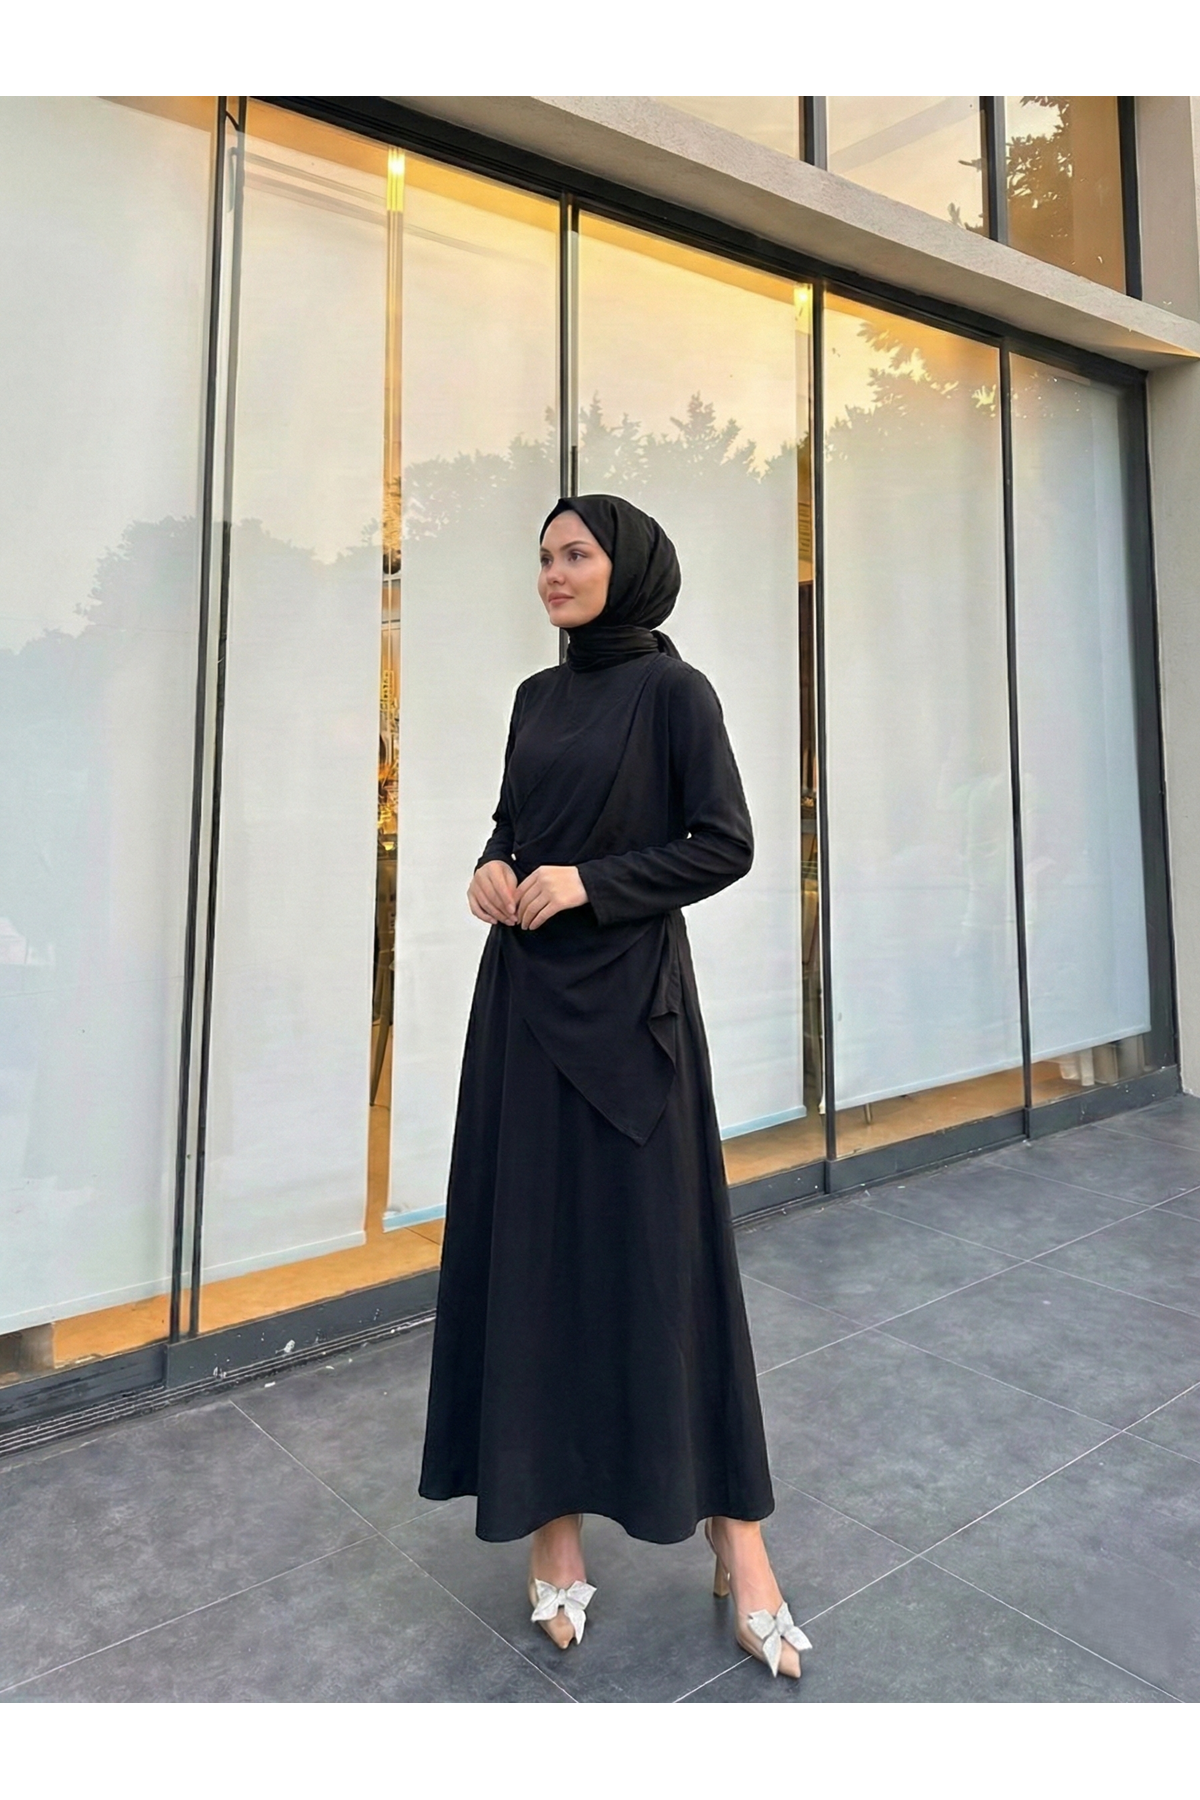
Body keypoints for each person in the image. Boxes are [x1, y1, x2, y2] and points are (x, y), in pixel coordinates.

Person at [418, 494, 810, 1680]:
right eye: (543, 555)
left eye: (575, 553)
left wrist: (589, 883)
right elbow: (512, 822)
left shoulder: (675, 694)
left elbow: (724, 841)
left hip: (633, 1016)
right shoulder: (535, 699)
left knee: (664, 1263)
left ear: (626, 566)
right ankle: (552, 1530)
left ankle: (739, 1540)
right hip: (525, 1010)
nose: (553, 572)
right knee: (533, 1258)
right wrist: (492, 868)